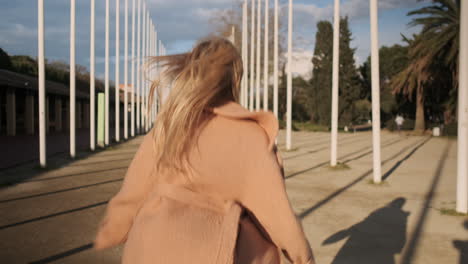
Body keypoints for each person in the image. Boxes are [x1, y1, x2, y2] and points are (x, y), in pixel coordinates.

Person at [93, 37, 315, 264]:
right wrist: (302, 257)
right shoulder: (249, 136)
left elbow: (135, 190)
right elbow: (275, 214)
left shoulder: (170, 125)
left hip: (150, 249)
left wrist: (113, 230)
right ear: (235, 79)